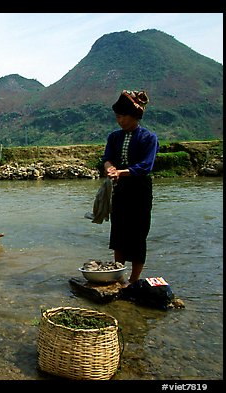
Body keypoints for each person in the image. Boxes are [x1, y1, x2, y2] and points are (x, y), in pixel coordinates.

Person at [102, 90, 159, 286]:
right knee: (119, 230)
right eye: (117, 116)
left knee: (138, 232)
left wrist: (121, 172)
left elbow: (146, 166)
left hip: (140, 190)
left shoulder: (148, 138)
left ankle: (134, 280)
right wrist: (110, 169)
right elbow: (107, 158)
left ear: (134, 116)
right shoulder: (114, 137)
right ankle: (119, 275)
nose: (119, 120)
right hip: (121, 189)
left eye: (122, 116)